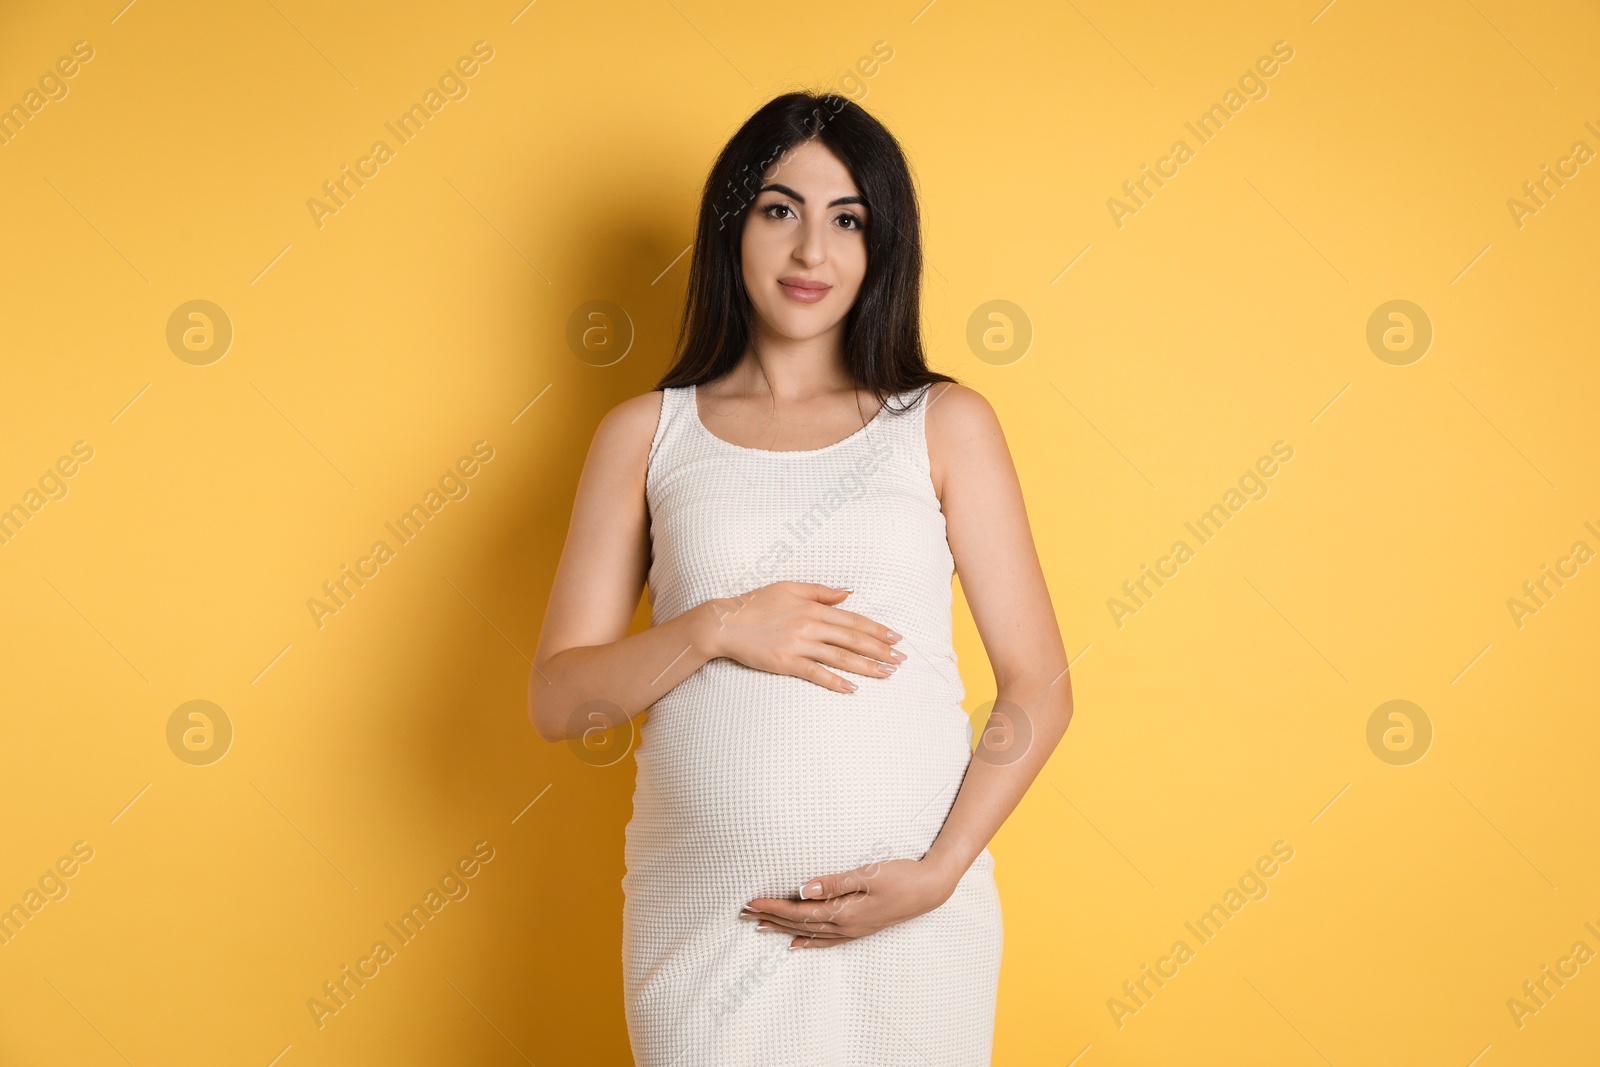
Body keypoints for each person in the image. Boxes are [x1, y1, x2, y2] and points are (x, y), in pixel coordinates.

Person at [528, 90, 1072, 1066]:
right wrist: (714, 626)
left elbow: (1039, 683)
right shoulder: (646, 436)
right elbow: (559, 699)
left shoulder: (943, 424)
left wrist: (940, 871)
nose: (810, 251)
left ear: (881, 244)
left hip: (911, 921)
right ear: (733, 225)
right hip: (707, 928)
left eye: (847, 218)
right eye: (780, 209)